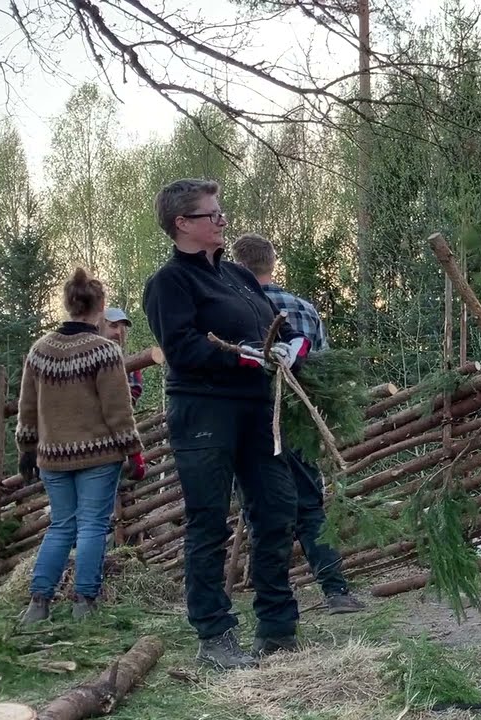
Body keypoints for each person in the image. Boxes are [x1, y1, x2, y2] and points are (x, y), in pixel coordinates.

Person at [143, 178, 311, 669]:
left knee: (277, 511)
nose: (223, 221)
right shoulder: (170, 283)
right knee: (208, 522)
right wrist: (246, 357)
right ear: (182, 224)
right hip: (204, 411)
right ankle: (215, 635)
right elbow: (183, 348)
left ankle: (278, 628)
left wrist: (287, 350)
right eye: (212, 214)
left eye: (221, 213)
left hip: (258, 411)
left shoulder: (238, 276)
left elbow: (272, 327)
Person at [230, 232, 366, 615]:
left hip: (252, 419)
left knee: (260, 507)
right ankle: (335, 590)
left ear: (238, 266)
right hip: (299, 419)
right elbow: (321, 366)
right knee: (309, 505)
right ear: (272, 263)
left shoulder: (231, 307)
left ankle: (270, 594)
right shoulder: (302, 309)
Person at [16, 268, 146, 624]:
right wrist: (134, 452)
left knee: (61, 525)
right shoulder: (104, 352)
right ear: (100, 307)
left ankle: (38, 604)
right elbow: (118, 412)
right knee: (91, 526)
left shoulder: (40, 350)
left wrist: (27, 449)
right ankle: (84, 603)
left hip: (52, 457)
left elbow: (27, 408)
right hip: (98, 455)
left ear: (69, 304)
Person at [100, 308, 144, 407]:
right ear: (100, 327)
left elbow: (132, 396)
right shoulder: (84, 357)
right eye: (113, 326)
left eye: (122, 329)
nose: (118, 332)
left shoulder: (131, 363)